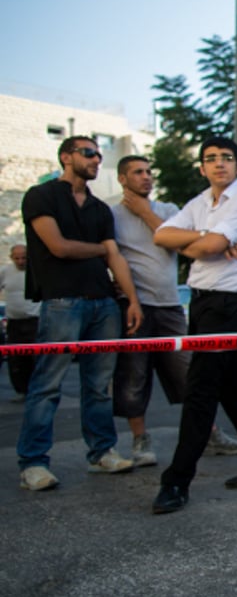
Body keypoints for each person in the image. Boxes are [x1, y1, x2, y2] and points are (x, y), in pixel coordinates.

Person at [150, 136, 237, 514]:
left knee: (200, 388)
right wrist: (202, 239)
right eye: (211, 159)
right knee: (229, 384)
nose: (219, 164)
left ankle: (176, 480)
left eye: (227, 158)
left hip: (231, 302)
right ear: (202, 168)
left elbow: (208, 248)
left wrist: (202, 243)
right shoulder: (199, 203)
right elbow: (163, 236)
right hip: (203, 300)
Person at [17, 136, 142, 492]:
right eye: (88, 153)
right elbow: (58, 247)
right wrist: (101, 249)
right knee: (47, 385)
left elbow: (115, 256)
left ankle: (102, 452)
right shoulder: (41, 196)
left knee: (99, 385)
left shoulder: (101, 209)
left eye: (99, 155)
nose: (96, 159)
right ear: (66, 156)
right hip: (61, 301)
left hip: (103, 303)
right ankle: (33, 463)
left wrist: (132, 300)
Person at [109, 156, 237, 469]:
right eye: (137, 173)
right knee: (134, 374)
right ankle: (140, 440)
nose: (146, 178)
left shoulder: (169, 211)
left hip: (170, 304)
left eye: (148, 172)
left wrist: (145, 213)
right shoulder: (111, 214)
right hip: (135, 305)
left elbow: (183, 244)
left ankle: (209, 433)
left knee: (191, 373)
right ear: (122, 179)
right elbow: (109, 254)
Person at [0, 244, 39, 400]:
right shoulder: (5, 272)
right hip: (14, 321)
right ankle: (22, 390)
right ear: (11, 258)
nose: (21, 261)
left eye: (23, 257)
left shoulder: (36, 270)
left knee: (36, 357)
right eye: (17, 258)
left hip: (34, 319)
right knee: (16, 358)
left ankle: (37, 390)